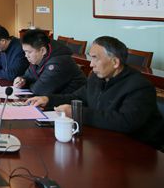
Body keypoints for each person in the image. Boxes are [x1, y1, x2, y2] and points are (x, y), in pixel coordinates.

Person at [26, 36, 164, 150]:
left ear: (115, 62)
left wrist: (77, 113)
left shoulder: (139, 87)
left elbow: (126, 122)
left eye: (95, 58)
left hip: (138, 151)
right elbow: (77, 97)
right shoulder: (96, 78)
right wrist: (48, 99)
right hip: (104, 143)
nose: (91, 64)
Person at [13, 30, 86, 95]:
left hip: (75, 102)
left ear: (43, 51)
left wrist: (29, 84)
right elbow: (28, 76)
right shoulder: (37, 59)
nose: (26, 56)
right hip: (56, 101)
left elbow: (39, 91)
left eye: (29, 52)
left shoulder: (59, 61)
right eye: (25, 52)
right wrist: (22, 80)